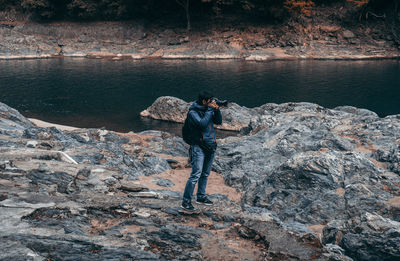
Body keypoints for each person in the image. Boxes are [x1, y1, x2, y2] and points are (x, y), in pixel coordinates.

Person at [181, 91, 222, 212]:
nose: (211, 102)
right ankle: (186, 201)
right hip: (198, 146)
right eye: (210, 100)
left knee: (205, 174)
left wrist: (217, 110)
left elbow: (218, 121)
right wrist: (210, 110)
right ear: (204, 101)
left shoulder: (208, 109)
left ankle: (201, 196)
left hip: (210, 145)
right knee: (196, 174)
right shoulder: (193, 112)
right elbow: (202, 124)